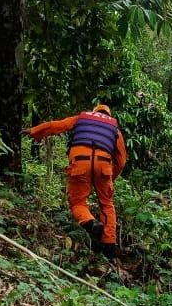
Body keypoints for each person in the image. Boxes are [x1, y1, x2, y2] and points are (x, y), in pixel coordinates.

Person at [26, 104, 127, 258]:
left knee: (78, 202)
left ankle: (90, 223)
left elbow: (57, 125)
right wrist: (109, 178)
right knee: (107, 204)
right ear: (109, 115)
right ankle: (109, 246)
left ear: (94, 112)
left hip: (80, 161)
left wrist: (34, 131)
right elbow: (121, 162)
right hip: (104, 165)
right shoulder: (114, 129)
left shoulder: (82, 118)